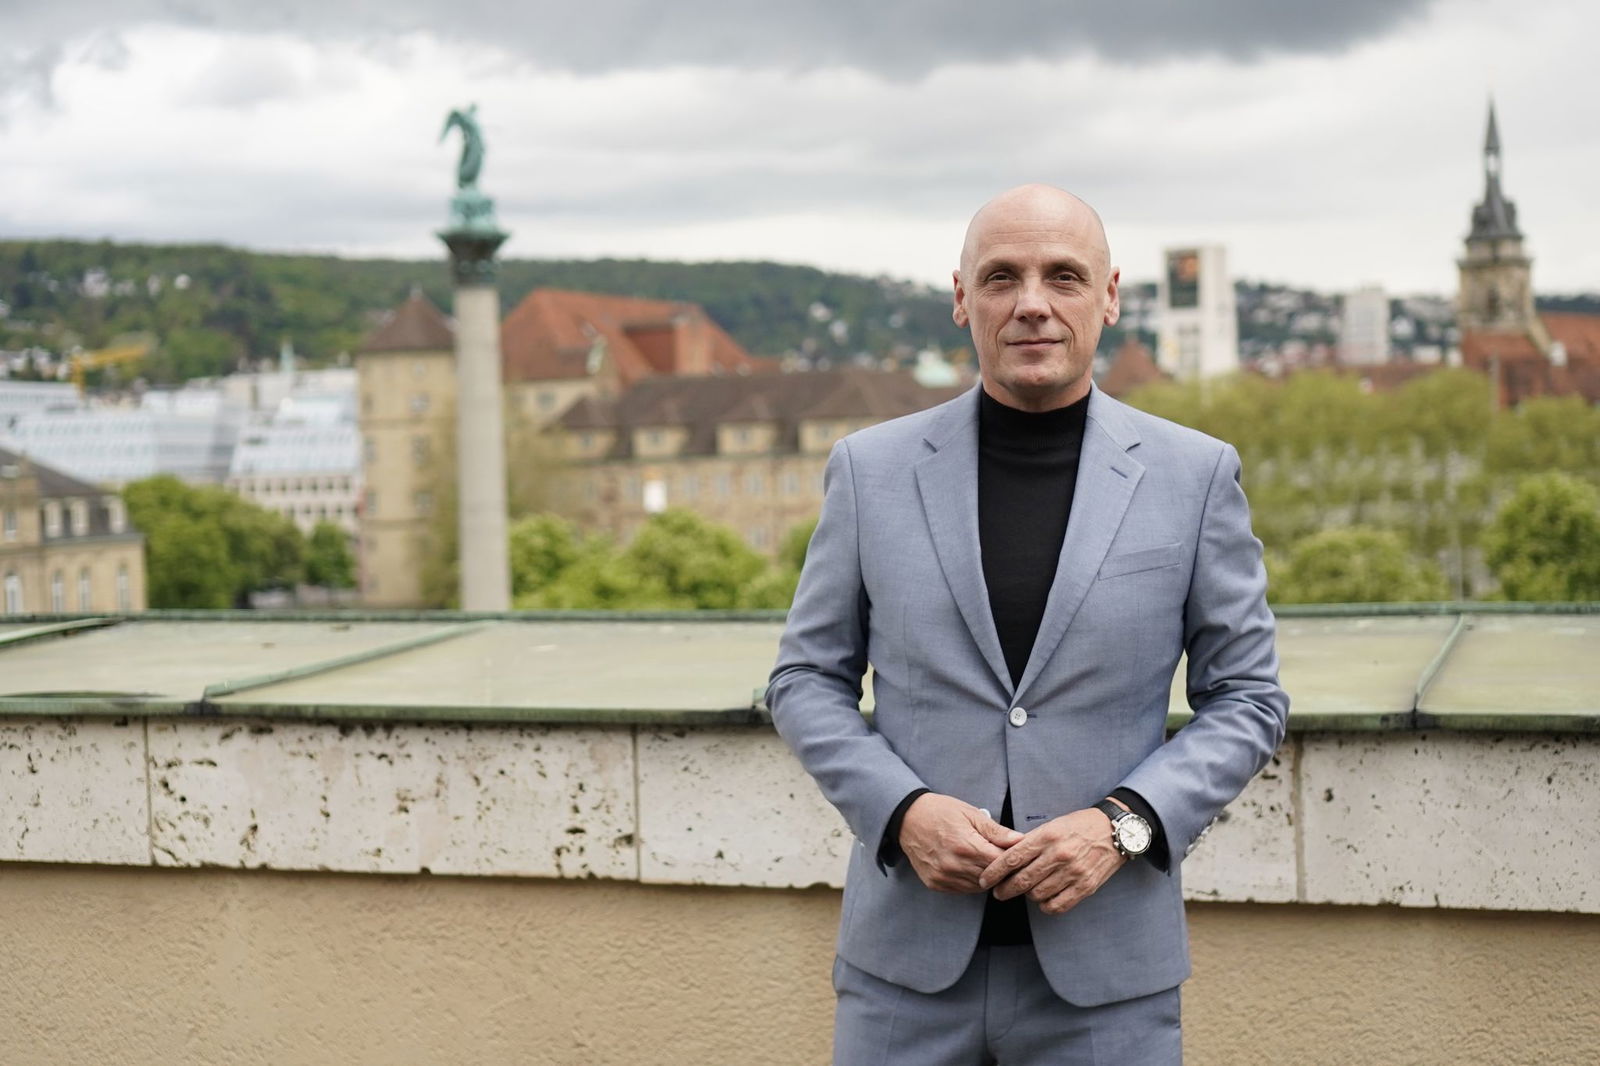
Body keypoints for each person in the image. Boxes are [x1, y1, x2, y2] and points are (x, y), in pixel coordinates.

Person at [766, 183, 1289, 1065]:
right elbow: (803, 680)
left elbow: (1248, 699)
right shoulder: (870, 471)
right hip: (903, 979)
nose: (1033, 304)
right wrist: (900, 813)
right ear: (963, 297)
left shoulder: (1195, 476)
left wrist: (1122, 826)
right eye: (1002, 277)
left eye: (1064, 276)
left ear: (1111, 296)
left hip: (1107, 988)